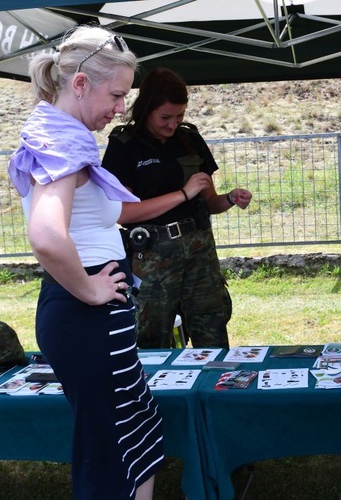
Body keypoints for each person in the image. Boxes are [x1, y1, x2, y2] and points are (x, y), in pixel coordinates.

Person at [7, 26, 164, 499]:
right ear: (79, 85)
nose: (121, 108)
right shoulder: (68, 144)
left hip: (80, 313)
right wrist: (91, 289)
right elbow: (47, 234)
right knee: (110, 455)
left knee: (136, 432)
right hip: (86, 312)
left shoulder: (55, 132)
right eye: (116, 94)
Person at [102, 67, 251, 349]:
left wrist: (230, 198)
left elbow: (210, 202)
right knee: (152, 337)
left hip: (199, 253)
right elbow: (123, 213)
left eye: (180, 116)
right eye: (165, 117)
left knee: (212, 329)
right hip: (153, 257)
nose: (173, 125)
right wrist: (182, 194)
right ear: (146, 109)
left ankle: (214, 390)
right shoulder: (125, 146)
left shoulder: (189, 139)